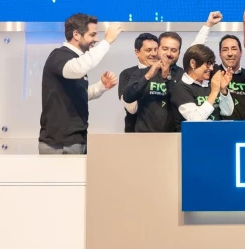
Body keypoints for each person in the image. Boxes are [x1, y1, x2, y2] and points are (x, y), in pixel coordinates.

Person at [118, 12, 222, 132]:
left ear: (179, 53)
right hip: (145, 136)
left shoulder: (183, 75)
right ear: (158, 49)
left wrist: (208, 25)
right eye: (165, 48)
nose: (169, 53)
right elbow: (128, 98)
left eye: (173, 50)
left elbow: (195, 52)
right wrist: (148, 76)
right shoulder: (142, 73)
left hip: (174, 137)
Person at [38, 13, 123, 154]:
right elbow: (79, 68)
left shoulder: (76, 60)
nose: (96, 39)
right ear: (76, 34)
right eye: (92, 34)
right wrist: (107, 41)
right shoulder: (59, 56)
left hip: (77, 140)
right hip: (59, 144)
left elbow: (78, 94)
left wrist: (101, 86)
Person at [170, 44, 234, 131]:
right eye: (208, 64)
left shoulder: (209, 84)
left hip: (215, 134)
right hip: (192, 137)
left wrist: (223, 89)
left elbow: (227, 112)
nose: (211, 68)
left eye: (212, 64)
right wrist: (214, 92)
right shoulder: (181, 88)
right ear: (193, 63)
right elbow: (195, 120)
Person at [117, 33, 159, 132]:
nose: (154, 54)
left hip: (164, 132)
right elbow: (132, 108)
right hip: (135, 132)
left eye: (156, 49)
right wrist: (147, 76)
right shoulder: (127, 74)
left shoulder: (165, 73)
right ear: (137, 52)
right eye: (148, 50)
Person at [217, 34, 245, 120]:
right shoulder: (213, 74)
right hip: (220, 127)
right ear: (220, 54)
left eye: (234, 49)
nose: (230, 54)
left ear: (241, 52)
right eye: (225, 50)